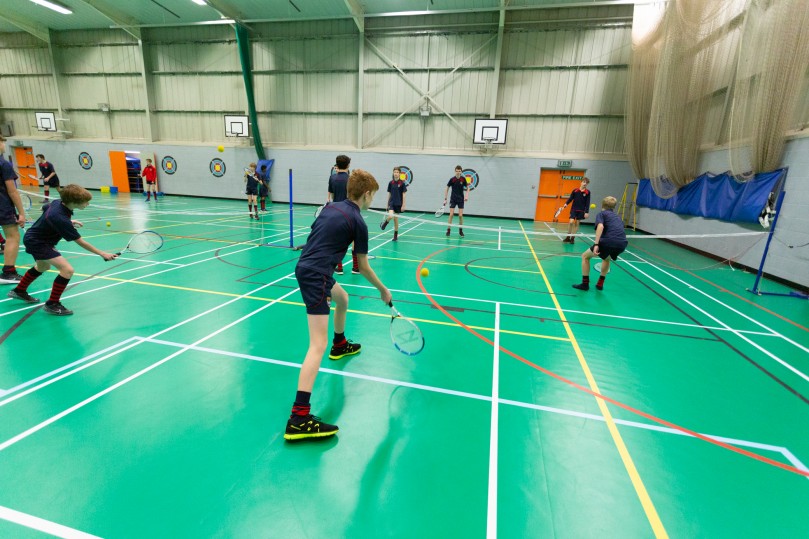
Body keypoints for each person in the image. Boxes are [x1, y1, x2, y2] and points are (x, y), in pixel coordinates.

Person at [285, 169, 392, 441]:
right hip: (317, 275)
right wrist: (383, 290)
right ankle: (298, 418)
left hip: (310, 268)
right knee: (316, 345)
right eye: (373, 196)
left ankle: (340, 344)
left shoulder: (329, 208)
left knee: (343, 298)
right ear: (366, 194)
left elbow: (317, 238)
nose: (373, 200)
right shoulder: (358, 221)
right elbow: (364, 267)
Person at [7, 184, 117, 314]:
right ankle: (52, 303)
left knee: (43, 267)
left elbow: (46, 208)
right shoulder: (59, 217)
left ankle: (19, 290)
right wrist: (102, 253)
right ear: (73, 202)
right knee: (67, 270)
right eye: (85, 202)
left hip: (38, 239)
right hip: (38, 242)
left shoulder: (58, 203)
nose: (87, 204)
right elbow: (80, 242)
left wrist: (69, 221)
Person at [572, 196, 627, 292]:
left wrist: (596, 244)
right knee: (606, 259)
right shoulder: (618, 217)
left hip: (609, 241)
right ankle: (600, 284)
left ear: (602, 204)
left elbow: (600, 226)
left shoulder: (602, 214)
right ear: (613, 207)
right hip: (622, 244)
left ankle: (585, 284)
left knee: (585, 256)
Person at [0, 136, 26, 283]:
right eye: (2, 142)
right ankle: (8, 272)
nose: (4, 145)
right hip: (2, 205)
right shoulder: (3, 164)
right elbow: (12, 191)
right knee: (13, 236)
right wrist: (21, 213)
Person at [327, 155, 359, 274]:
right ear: (348, 165)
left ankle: (339, 267)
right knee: (355, 239)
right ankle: (356, 267)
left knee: (337, 240)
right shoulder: (351, 180)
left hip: (335, 212)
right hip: (349, 212)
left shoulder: (332, 178)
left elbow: (332, 195)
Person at [380, 166, 407, 241]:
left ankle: (395, 235)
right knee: (391, 216)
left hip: (398, 204)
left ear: (399, 173)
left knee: (396, 219)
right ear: (393, 173)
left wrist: (403, 205)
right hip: (391, 203)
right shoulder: (390, 183)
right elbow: (389, 194)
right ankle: (385, 223)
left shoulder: (402, 183)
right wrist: (387, 203)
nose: (396, 173)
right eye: (395, 172)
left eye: (397, 172)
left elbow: (404, 194)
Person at [561, 177, 591, 244]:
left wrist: (586, 212)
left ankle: (572, 238)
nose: (585, 184)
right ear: (581, 182)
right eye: (584, 182)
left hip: (581, 210)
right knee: (571, 222)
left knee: (577, 224)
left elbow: (587, 202)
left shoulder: (587, 192)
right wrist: (566, 204)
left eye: (586, 183)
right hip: (574, 209)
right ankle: (568, 236)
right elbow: (570, 198)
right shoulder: (575, 190)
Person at [443, 165, 469, 237]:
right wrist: (445, 199)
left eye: (459, 171)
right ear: (455, 171)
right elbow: (447, 188)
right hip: (453, 199)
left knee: (460, 216)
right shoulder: (452, 179)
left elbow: (468, 188)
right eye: (457, 171)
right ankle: (448, 230)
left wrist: (466, 196)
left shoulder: (463, 179)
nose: (458, 172)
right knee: (451, 214)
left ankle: (460, 231)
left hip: (461, 199)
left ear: (461, 171)